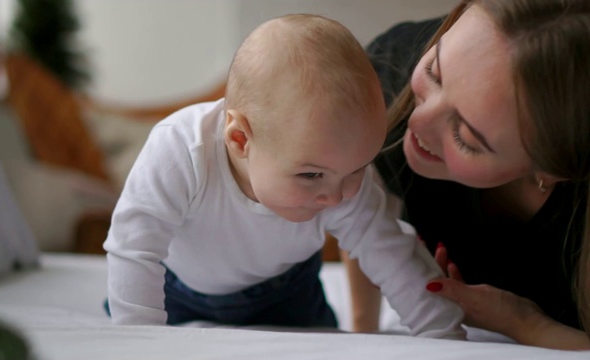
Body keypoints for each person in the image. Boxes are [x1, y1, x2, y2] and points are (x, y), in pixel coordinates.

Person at [103, 14, 465, 339]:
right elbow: (134, 244)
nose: (337, 196)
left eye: (358, 168)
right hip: (175, 289)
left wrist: (442, 332)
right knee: (130, 301)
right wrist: (139, 337)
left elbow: (391, 254)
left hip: (287, 293)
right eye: (310, 175)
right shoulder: (181, 149)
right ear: (240, 139)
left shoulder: (336, 171)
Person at [343, 0, 590, 350]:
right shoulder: (392, 67)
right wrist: (361, 331)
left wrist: (522, 321)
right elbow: (358, 209)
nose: (416, 122)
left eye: (465, 137)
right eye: (433, 72)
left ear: (551, 171)